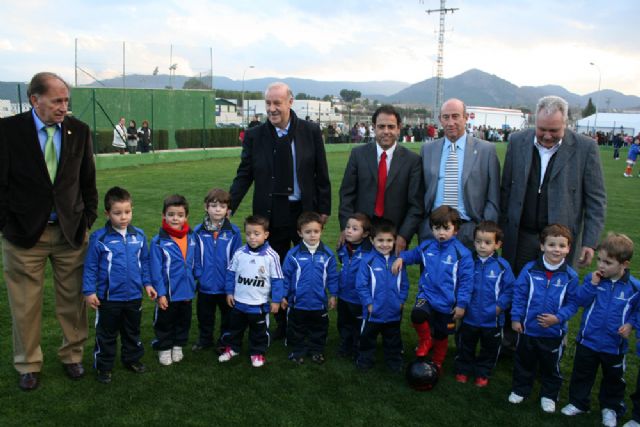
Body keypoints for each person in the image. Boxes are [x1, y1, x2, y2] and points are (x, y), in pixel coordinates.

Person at [0, 71, 98, 391]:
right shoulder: (8, 131)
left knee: (73, 302)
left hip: (70, 233)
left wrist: (87, 220)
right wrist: (7, 224)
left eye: (66, 100)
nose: (63, 106)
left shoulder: (79, 131)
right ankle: (28, 363)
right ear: (34, 100)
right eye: (57, 100)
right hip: (24, 235)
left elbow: (87, 181)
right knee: (25, 304)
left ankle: (72, 356)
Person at [229, 82, 331, 339]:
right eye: (268, 104)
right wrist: (230, 204)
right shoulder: (255, 135)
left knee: (304, 268)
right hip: (270, 214)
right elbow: (245, 174)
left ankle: (305, 321)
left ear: (290, 102)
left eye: (277, 103)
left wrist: (324, 210)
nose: (272, 109)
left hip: (303, 212)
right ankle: (282, 324)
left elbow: (322, 174)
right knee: (274, 271)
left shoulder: (310, 131)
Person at [500, 95, 606, 274]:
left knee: (555, 295)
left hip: (560, 243)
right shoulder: (517, 141)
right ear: (535, 122)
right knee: (517, 292)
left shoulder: (586, 148)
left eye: (554, 130)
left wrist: (589, 242)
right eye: (542, 129)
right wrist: (500, 231)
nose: (547, 136)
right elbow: (506, 190)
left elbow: (596, 200)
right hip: (521, 238)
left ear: (565, 123)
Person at [561, 233, 640, 427]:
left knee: (613, 379)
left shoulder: (634, 288)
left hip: (614, 345)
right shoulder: (592, 279)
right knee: (582, 374)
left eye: (608, 262)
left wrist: (630, 325)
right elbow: (580, 300)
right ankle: (579, 403)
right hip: (588, 340)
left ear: (625, 264)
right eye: (600, 260)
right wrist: (592, 285)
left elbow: (637, 312)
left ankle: (611, 408)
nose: (601, 266)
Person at [82, 187, 157, 384]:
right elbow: (89, 267)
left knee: (132, 331)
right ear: (107, 213)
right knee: (106, 335)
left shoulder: (139, 236)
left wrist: (147, 283)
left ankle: (132, 359)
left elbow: (145, 262)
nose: (123, 217)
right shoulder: (100, 238)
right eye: (117, 213)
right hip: (108, 299)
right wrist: (89, 291)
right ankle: (104, 367)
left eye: (127, 212)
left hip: (133, 296)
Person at [392, 205, 474, 372]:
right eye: (437, 228)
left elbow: (466, 282)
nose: (441, 233)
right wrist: (401, 259)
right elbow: (412, 255)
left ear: (456, 230)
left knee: (442, 335)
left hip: (447, 302)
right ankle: (425, 340)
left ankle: (437, 361)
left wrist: (462, 304)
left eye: (446, 228)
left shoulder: (462, 254)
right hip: (427, 295)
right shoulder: (427, 246)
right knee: (417, 315)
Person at [508, 224, 579, 414]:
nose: (556, 249)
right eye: (552, 245)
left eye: (562, 246)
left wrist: (558, 318)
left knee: (551, 367)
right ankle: (520, 389)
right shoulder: (529, 270)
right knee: (524, 362)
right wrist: (516, 318)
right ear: (542, 246)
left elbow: (573, 304)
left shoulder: (570, 276)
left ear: (568, 249)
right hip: (528, 329)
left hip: (553, 332)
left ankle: (549, 395)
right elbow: (519, 295)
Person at [339, 105, 424, 255]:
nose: (386, 131)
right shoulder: (358, 155)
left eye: (391, 127)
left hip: (393, 237)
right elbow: (346, 195)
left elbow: (416, 205)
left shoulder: (412, 161)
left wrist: (404, 236)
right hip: (360, 233)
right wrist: (346, 228)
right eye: (381, 126)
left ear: (399, 128)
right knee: (358, 277)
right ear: (374, 128)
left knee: (391, 277)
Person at [420, 98, 500, 248]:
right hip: (433, 230)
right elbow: (421, 190)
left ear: (466, 117)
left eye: (455, 116)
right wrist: (423, 225)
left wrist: (484, 228)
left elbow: (493, 196)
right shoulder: (428, 149)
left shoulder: (486, 150)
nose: (450, 122)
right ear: (440, 120)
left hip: (469, 229)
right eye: (446, 117)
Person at [219, 215, 286, 368]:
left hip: (259, 304)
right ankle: (233, 349)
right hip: (239, 303)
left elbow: (277, 280)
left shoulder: (272, 256)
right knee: (235, 329)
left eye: (257, 234)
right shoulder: (239, 253)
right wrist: (229, 292)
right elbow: (230, 274)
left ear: (266, 235)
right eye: (248, 233)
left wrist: (276, 300)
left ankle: (257, 352)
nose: (252, 237)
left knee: (259, 331)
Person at [454, 221, 515, 387]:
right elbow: (458, 284)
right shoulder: (467, 263)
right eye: (478, 241)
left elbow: (509, 290)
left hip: (492, 319)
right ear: (474, 242)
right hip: (469, 317)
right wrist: (461, 305)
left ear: (497, 244)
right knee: (465, 346)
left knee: (490, 349)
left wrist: (499, 307)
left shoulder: (503, 266)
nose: (482, 246)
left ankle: (483, 372)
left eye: (487, 242)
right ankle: (463, 369)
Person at [150, 194, 201, 366]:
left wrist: (195, 282)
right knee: (164, 322)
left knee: (183, 321)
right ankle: (164, 348)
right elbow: (155, 271)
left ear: (186, 217)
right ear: (164, 215)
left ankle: (178, 345)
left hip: (186, 291)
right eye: (171, 214)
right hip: (168, 293)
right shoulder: (158, 242)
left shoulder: (192, 237)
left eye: (179, 215)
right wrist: (161, 294)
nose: (175, 218)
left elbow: (197, 262)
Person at [282, 211, 339, 364]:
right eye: (308, 232)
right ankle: (298, 351)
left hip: (319, 303)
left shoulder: (328, 254)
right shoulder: (293, 254)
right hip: (297, 302)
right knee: (297, 329)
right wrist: (282, 296)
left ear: (321, 231)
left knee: (319, 329)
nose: (312, 235)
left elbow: (333, 277)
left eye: (316, 231)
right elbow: (285, 277)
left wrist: (333, 295)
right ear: (300, 233)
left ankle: (317, 351)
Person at [355, 219, 409, 372]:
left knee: (393, 338)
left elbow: (404, 284)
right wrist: (368, 303)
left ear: (394, 241)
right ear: (372, 240)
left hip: (393, 310)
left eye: (389, 240)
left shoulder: (398, 261)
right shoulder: (367, 261)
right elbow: (361, 285)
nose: (385, 244)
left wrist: (401, 300)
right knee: (367, 338)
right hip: (372, 311)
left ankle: (394, 361)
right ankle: (365, 359)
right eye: (380, 240)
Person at [192, 188, 242, 353]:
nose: (218, 209)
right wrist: (199, 275)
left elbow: (236, 260)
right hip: (205, 284)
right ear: (206, 207)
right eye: (214, 205)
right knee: (205, 316)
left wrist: (231, 283)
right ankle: (205, 339)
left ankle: (224, 341)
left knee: (227, 316)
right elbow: (195, 256)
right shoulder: (198, 231)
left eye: (222, 206)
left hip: (225, 285)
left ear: (228, 210)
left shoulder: (234, 232)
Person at [336, 212, 372, 359]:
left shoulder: (370, 252)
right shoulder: (343, 248)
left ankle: (358, 348)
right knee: (343, 323)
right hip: (343, 295)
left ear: (365, 234)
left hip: (359, 299)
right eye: (348, 227)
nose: (349, 230)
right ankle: (345, 345)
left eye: (355, 229)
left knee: (358, 326)